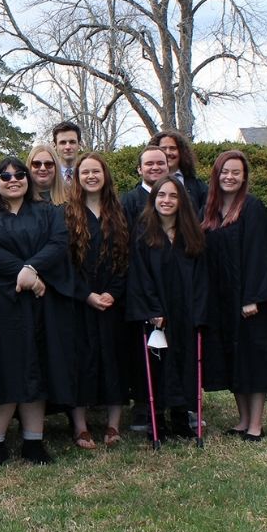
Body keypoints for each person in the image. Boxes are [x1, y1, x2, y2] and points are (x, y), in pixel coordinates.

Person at [0, 157, 74, 467]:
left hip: (40, 303)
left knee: (34, 365)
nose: (14, 179)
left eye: (20, 174)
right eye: (6, 176)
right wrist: (24, 274)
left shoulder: (48, 213)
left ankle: (33, 442)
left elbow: (57, 243)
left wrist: (32, 269)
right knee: (1, 365)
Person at [200, 151, 267, 441]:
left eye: (236, 172)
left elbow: (260, 254)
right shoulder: (210, 211)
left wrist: (252, 297)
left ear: (244, 177)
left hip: (247, 300)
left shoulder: (252, 208)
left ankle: (256, 424)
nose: (229, 177)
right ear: (216, 175)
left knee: (253, 360)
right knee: (234, 360)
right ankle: (242, 420)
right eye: (224, 172)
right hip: (221, 300)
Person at [128, 177, 208, 441]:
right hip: (158, 315)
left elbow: (201, 278)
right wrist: (152, 310)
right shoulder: (143, 233)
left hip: (185, 312)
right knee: (158, 367)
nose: (166, 200)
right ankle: (157, 421)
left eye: (173, 196)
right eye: (162, 195)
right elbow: (140, 276)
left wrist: (198, 312)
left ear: (181, 201)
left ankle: (181, 419)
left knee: (185, 364)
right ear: (154, 199)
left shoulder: (192, 234)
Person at [62, 152, 129, 449]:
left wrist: (113, 292)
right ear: (77, 178)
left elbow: (127, 259)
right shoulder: (67, 213)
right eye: (85, 172)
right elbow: (63, 263)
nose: (91, 176)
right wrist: (86, 295)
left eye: (96, 171)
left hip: (113, 301)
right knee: (80, 361)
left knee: (115, 359)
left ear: (105, 175)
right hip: (79, 301)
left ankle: (114, 425)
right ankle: (80, 427)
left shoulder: (120, 211)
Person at [120, 145, 170, 432]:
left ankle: (177, 404)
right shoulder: (130, 201)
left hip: (173, 289)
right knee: (142, 353)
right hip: (138, 288)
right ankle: (143, 405)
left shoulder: (179, 198)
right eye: (148, 164)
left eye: (160, 163)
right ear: (139, 169)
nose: (154, 168)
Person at [149, 129, 207, 212]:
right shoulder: (145, 187)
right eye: (163, 148)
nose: (168, 152)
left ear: (181, 152)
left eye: (172, 148)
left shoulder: (199, 187)